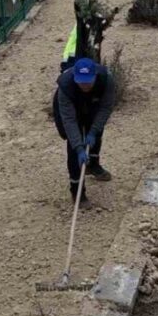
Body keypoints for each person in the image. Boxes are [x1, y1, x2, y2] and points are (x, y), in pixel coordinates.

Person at [53, 58, 115, 206]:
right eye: (81, 82)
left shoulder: (106, 80)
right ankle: (77, 192)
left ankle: (93, 165)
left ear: (95, 76)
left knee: (96, 131)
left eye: (88, 81)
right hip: (71, 108)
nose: (85, 85)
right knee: (73, 146)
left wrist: (93, 131)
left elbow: (105, 108)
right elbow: (69, 121)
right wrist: (79, 148)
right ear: (75, 77)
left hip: (92, 103)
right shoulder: (65, 87)